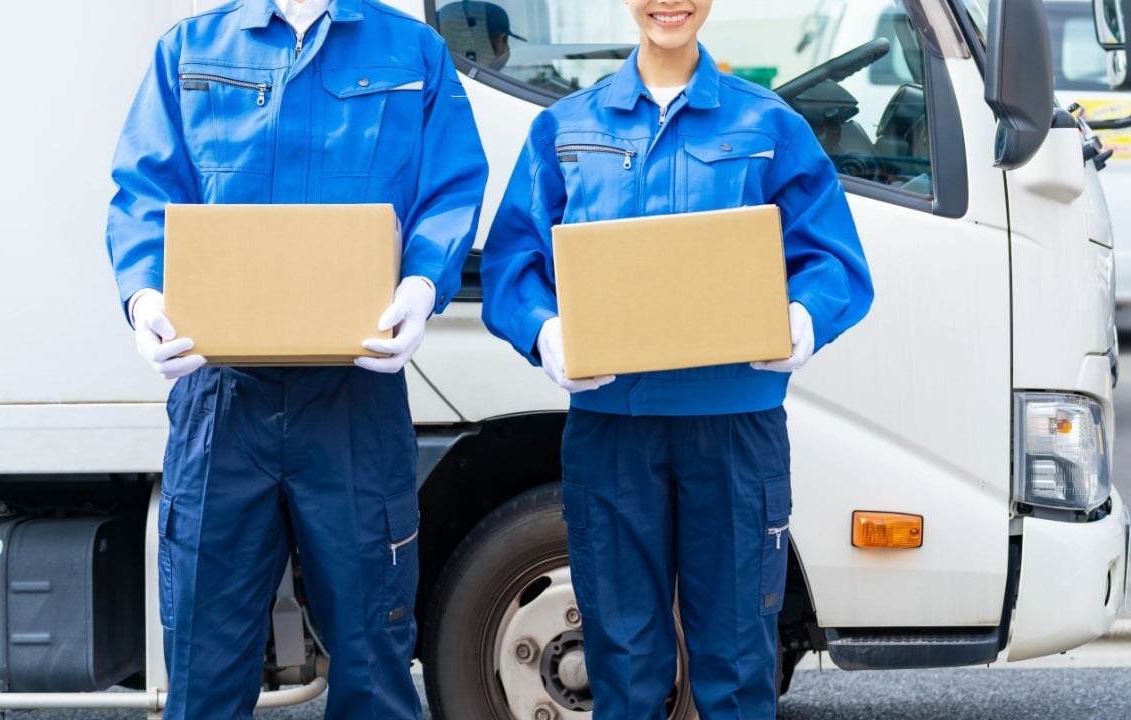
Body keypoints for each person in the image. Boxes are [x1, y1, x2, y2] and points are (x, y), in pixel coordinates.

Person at [480, 1, 872, 718]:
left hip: (733, 430)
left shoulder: (767, 126)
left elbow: (833, 258)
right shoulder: (567, 128)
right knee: (624, 665)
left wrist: (802, 318)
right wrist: (546, 334)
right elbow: (515, 261)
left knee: (735, 662)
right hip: (612, 430)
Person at [104, 0, 488, 718]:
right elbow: (146, 191)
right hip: (222, 396)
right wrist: (145, 297)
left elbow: (451, 183)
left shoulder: (411, 53)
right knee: (204, 662)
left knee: (374, 656)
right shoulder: (190, 50)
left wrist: (423, 279)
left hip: (354, 396)